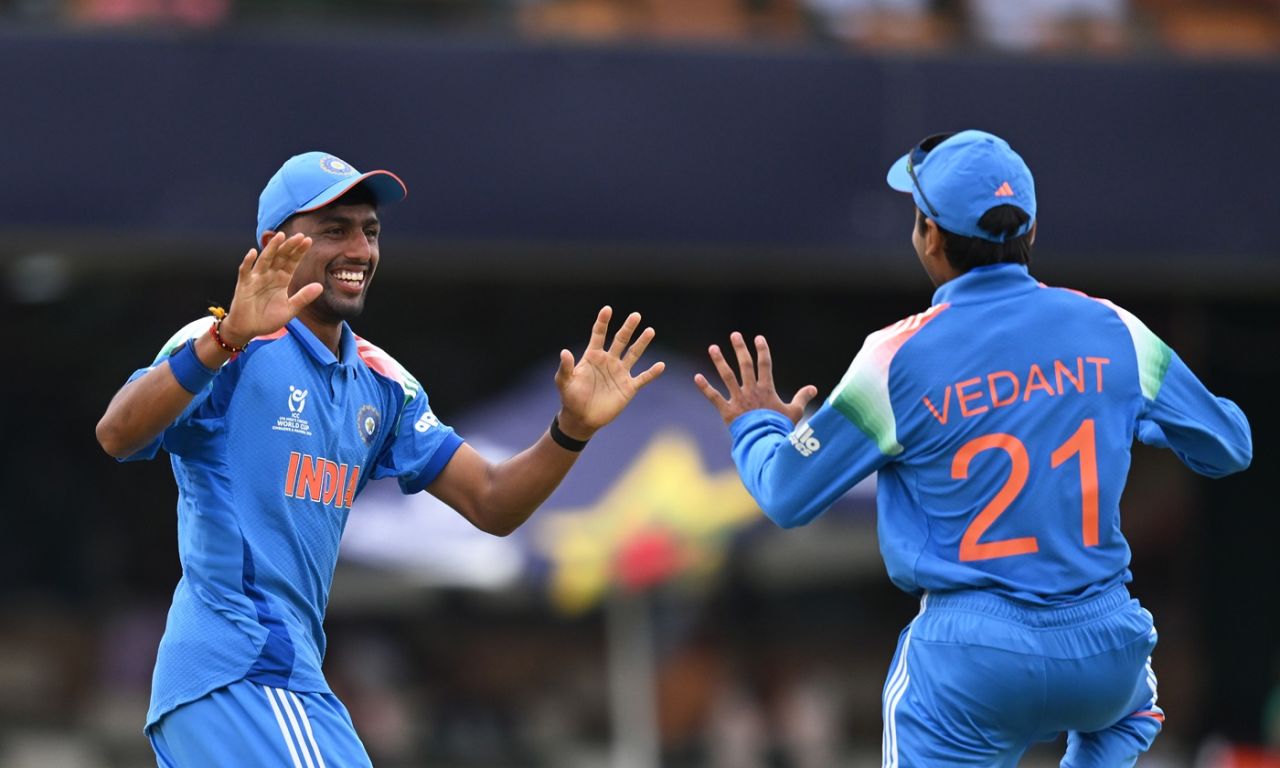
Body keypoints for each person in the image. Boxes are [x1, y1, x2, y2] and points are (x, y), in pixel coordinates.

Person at [695, 130, 1252, 766]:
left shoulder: (895, 356)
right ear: (1032, 233)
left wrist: (758, 425)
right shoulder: (1115, 328)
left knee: (925, 682)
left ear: (929, 236)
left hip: (972, 659)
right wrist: (1131, 411)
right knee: (1133, 707)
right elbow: (1229, 446)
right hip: (1104, 649)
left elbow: (787, 497)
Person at [95, 151, 665, 767]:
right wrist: (224, 337)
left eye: (370, 231)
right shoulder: (223, 342)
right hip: (243, 672)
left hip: (260, 683)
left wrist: (571, 431)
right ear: (274, 243)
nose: (361, 251)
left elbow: (492, 502)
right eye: (334, 229)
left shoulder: (382, 384)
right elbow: (117, 433)